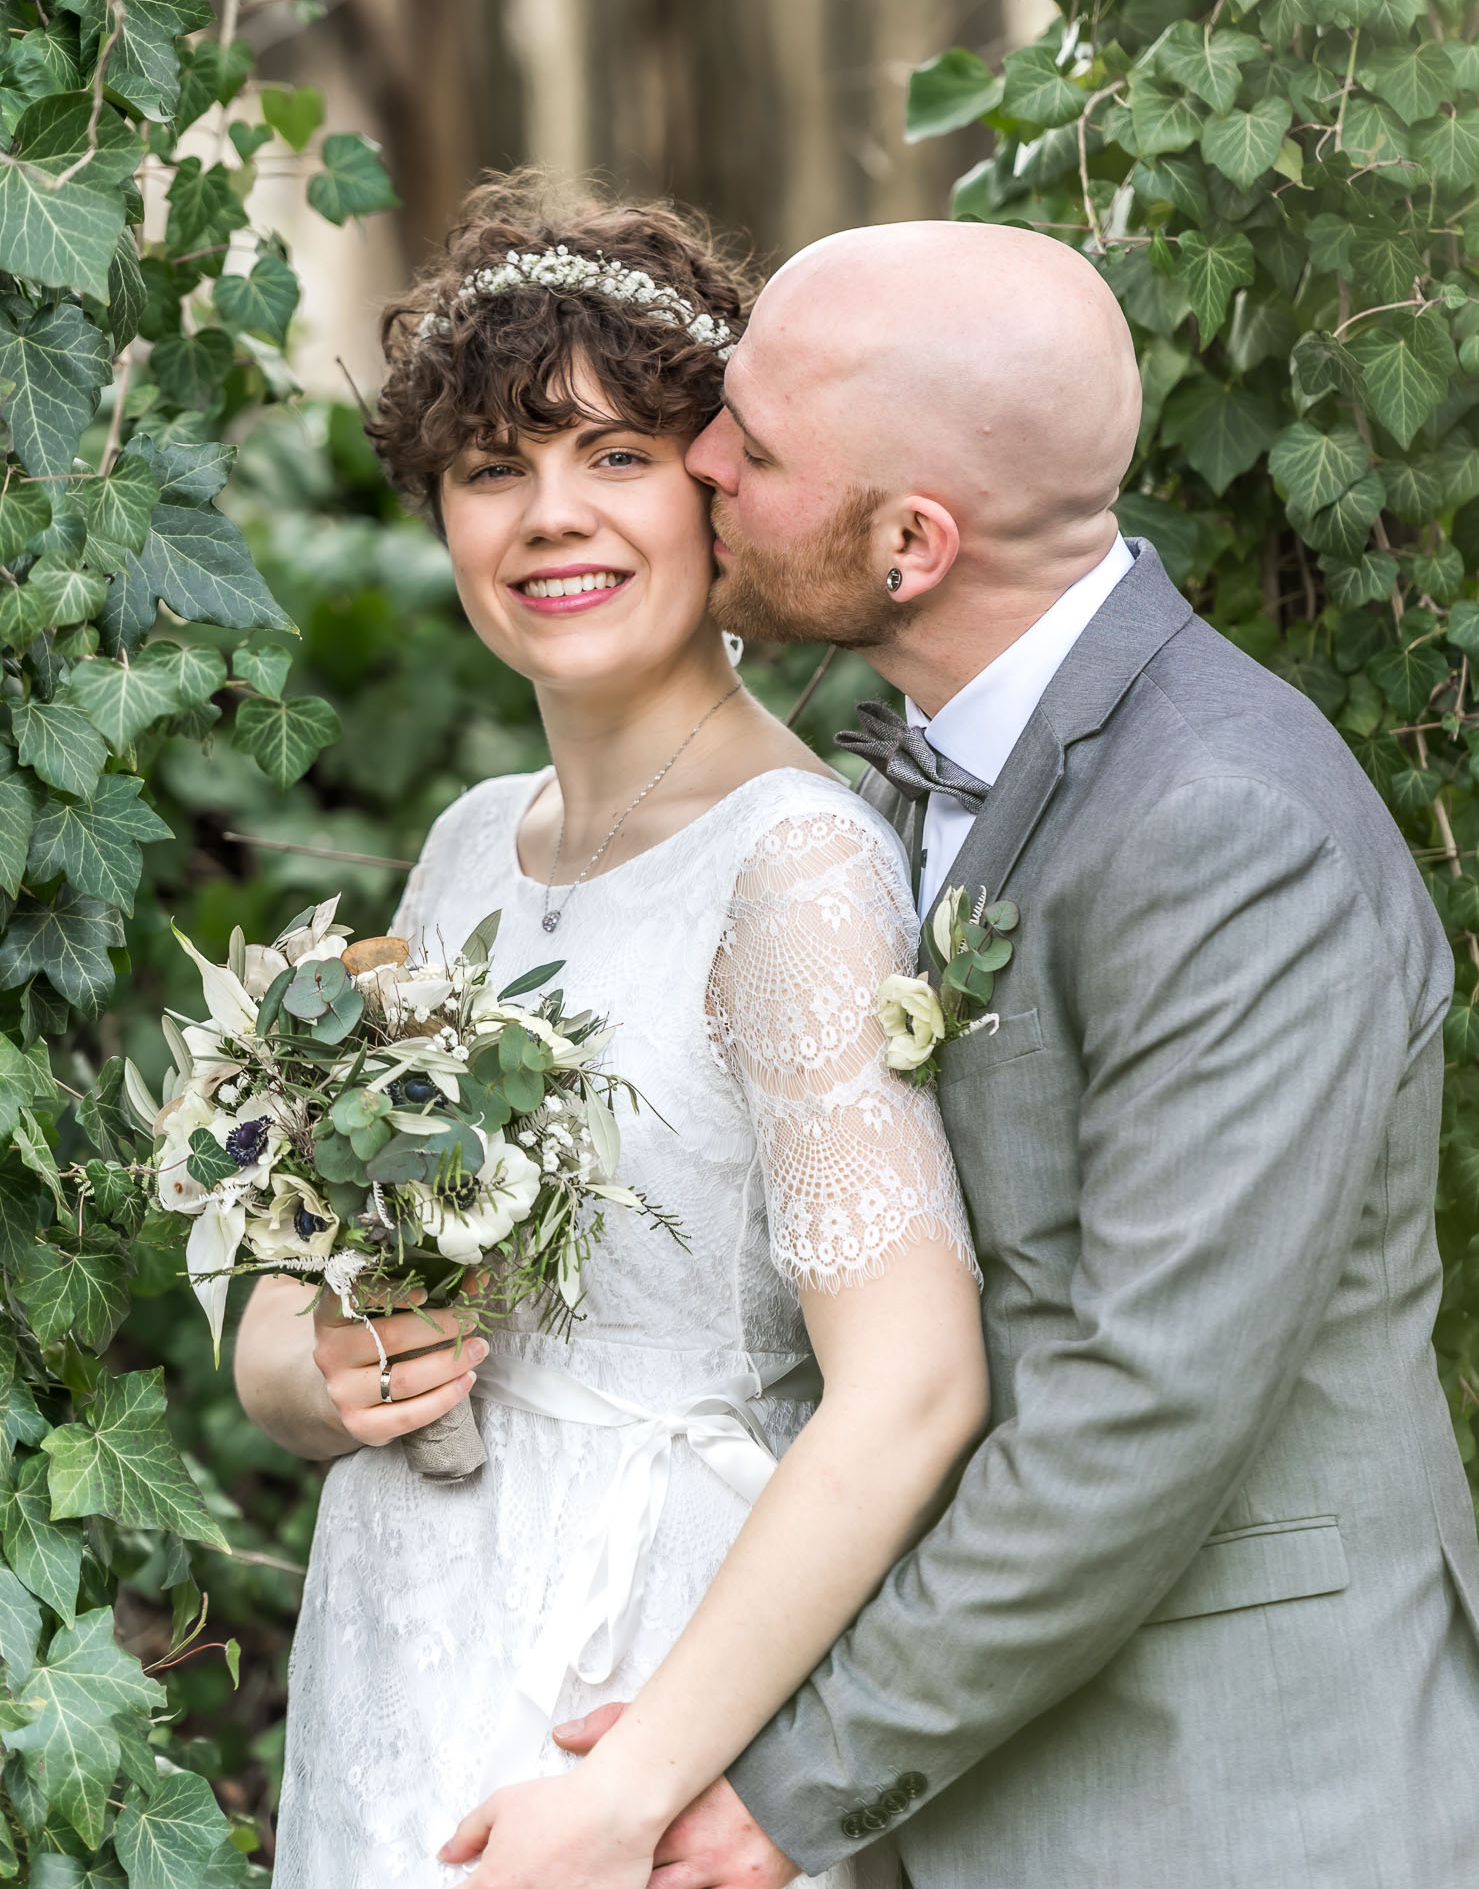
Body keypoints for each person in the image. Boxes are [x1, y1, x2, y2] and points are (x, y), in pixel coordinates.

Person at [553, 220, 1479, 1889]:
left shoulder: (1223, 829)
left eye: (750, 448)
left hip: (1227, 1795)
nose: (697, 460)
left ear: (912, 543)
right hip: (982, 1767)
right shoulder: (916, 776)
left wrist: (784, 1791)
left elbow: (1149, 1404)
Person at [229, 177, 989, 1889]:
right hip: (400, 1639)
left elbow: (916, 1385)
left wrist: (636, 1786)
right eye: (495, 470)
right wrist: (324, 1369)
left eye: (615, 457)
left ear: (717, 486)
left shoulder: (794, 867)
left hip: (640, 1679)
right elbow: (283, 1334)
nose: (549, 519)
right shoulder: (464, 846)